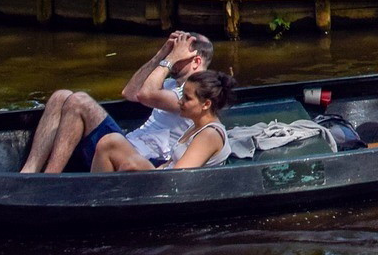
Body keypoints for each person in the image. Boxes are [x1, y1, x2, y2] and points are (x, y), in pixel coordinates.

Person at [18, 30, 215, 174]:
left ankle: (49, 179)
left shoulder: (196, 95)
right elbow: (129, 92)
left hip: (146, 160)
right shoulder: (170, 82)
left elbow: (145, 95)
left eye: (179, 53)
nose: (172, 58)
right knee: (60, 96)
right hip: (128, 144)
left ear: (196, 61)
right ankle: (28, 173)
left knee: (79, 101)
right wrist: (162, 54)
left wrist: (170, 60)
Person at [88, 70, 236, 172]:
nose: (180, 102)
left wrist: (136, 168)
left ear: (206, 104)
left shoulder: (209, 135)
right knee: (110, 141)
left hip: (172, 190)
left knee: (129, 163)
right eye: (182, 96)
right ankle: (97, 196)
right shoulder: (195, 126)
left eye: (187, 98)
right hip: (164, 177)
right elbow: (169, 164)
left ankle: (100, 202)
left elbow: (178, 177)